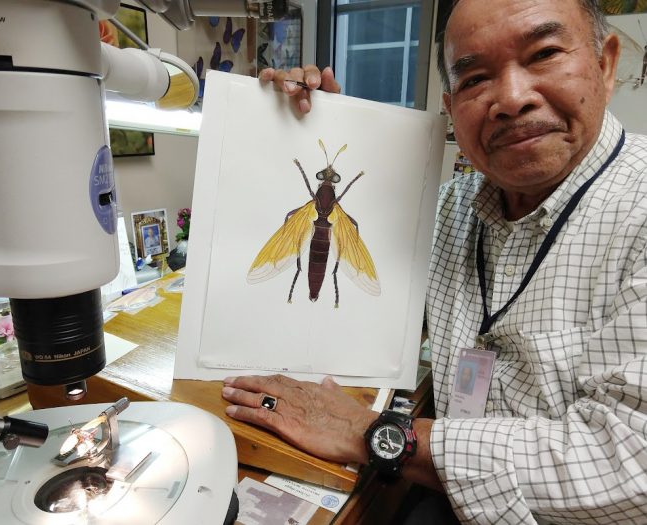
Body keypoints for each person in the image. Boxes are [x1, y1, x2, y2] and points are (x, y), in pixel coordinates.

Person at [221, 0, 647, 523]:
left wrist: (372, 434)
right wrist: (307, 130)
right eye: (475, 79)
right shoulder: (447, 209)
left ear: (605, 64)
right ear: (450, 105)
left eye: (544, 53)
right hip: (448, 500)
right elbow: (360, 316)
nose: (511, 99)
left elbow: (629, 461)